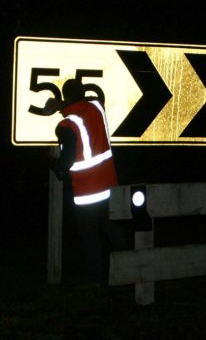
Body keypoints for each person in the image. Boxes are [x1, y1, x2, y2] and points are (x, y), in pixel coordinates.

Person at [47, 78, 130, 285]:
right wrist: (65, 105)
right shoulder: (96, 108)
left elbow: (64, 164)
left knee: (90, 237)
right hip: (109, 186)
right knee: (112, 228)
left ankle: (96, 281)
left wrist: (49, 161)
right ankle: (132, 270)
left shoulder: (66, 125)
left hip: (86, 192)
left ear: (65, 97)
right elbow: (92, 98)